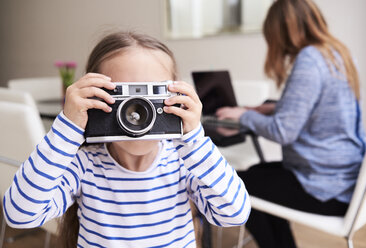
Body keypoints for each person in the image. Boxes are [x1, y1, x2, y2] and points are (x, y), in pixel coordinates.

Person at [3, 31, 250, 247]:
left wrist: (194, 138)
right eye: (122, 95)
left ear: (176, 96)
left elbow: (235, 213)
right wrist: (68, 128)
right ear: (93, 98)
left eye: (151, 94)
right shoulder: (85, 165)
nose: (137, 113)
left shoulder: (184, 162)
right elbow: (20, 214)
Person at [216, 0, 366, 247]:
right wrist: (268, 108)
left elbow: (283, 132)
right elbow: (320, 105)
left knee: (237, 184)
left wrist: (244, 116)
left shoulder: (309, 59)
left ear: (282, 30)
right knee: (254, 175)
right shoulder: (337, 53)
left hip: (325, 186)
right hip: (346, 177)